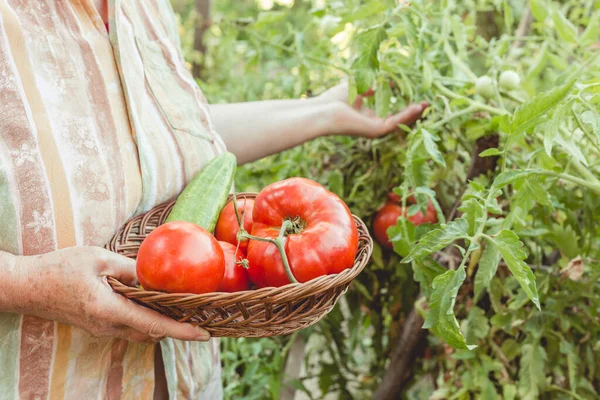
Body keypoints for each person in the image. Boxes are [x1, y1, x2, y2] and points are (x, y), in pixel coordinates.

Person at [0, 0, 427, 399]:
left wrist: (324, 110)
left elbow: (169, 143)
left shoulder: (144, 7)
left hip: (181, 377)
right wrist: (23, 281)